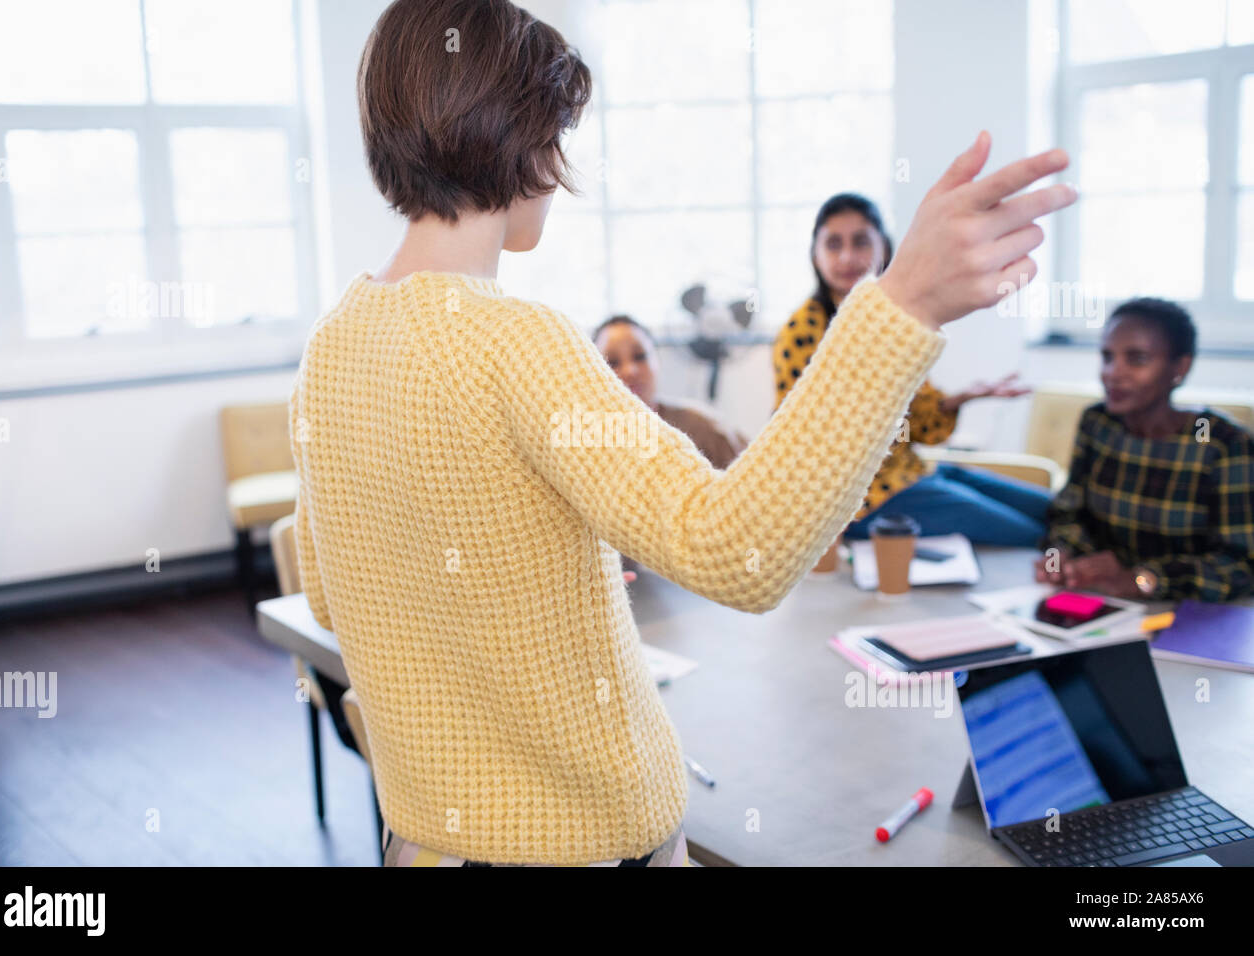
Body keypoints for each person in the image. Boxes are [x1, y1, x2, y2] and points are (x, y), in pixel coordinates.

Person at [289, 0, 1074, 866]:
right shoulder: (516, 341)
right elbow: (738, 552)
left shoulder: (331, 345)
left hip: (423, 841)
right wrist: (902, 306)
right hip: (582, 846)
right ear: (524, 141)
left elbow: (332, 595)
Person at [773, 193, 1054, 547]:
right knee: (1037, 535)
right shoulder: (802, 333)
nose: (846, 257)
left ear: (884, 248)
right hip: (865, 499)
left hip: (912, 472)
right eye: (833, 244)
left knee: (1054, 510)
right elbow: (797, 438)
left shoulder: (893, 321)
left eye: (860, 242)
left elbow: (916, 426)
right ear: (815, 255)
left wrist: (961, 399)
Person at [1035, 298, 1254, 602]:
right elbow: (1068, 512)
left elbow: (1241, 565)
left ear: (1180, 367)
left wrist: (1142, 579)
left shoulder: (1221, 443)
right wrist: (1061, 554)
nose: (1113, 373)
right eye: (1107, 357)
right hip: (1103, 599)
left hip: (1189, 613)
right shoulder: (1098, 422)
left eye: (1136, 359)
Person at [593, 315, 748, 470]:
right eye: (612, 362)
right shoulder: (589, 442)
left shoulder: (703, 427)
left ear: (657, 361)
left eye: (640, 356)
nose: (630, 371)